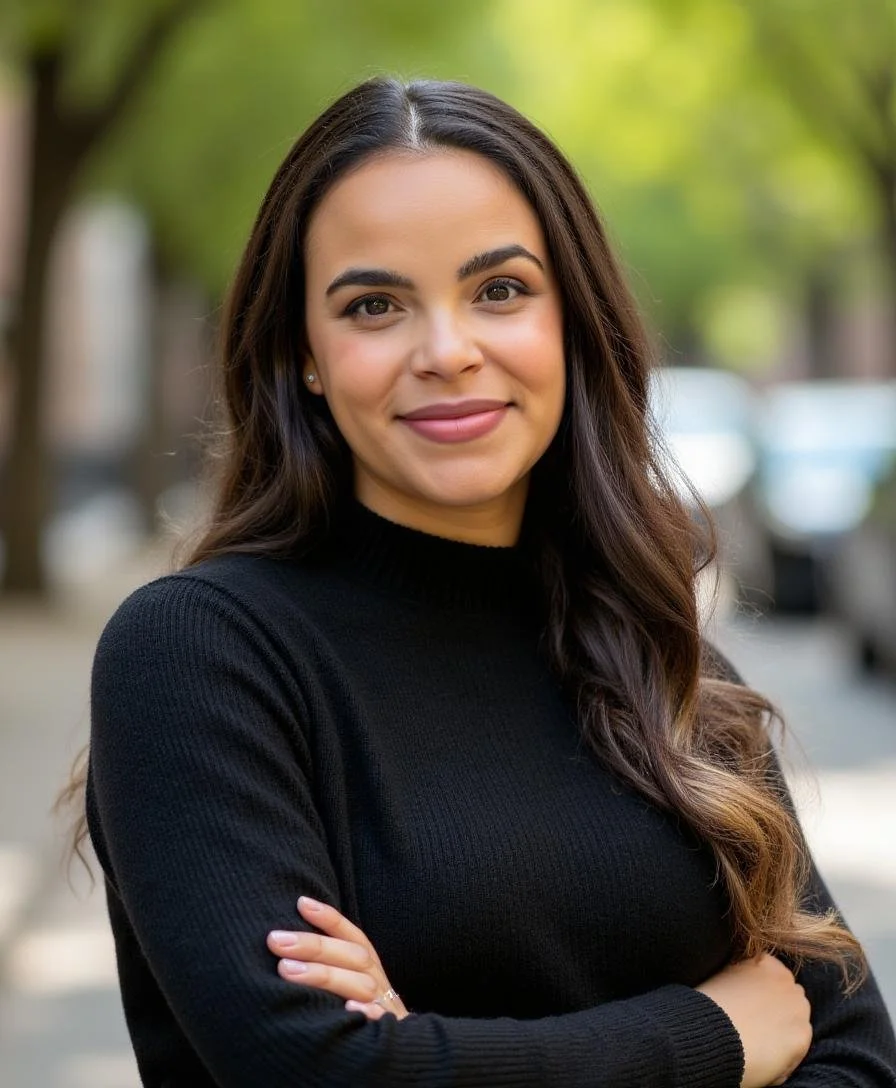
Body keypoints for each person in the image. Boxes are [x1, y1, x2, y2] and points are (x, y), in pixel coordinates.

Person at [81, 77, 896, 1087]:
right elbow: (313, 1072)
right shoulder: (202, 656)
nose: (446, 351)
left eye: (499, 290)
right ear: (303, 354)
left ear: (570, 323)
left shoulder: (655, 657)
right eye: (373, 305)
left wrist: (430, 1047)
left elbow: (853, 1059)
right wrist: (713, 1033)